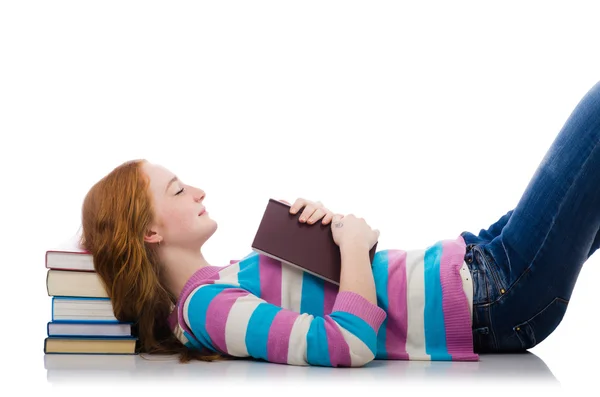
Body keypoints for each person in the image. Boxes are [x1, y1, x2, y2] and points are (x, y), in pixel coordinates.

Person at [80, 80, 600, 367]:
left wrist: (327, 239)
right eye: (177, 190)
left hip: (478, 268)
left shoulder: (224, 283)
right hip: (493, 294)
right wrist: (352, 248)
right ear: (150, 233)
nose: (198, 191)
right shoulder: (204, 307)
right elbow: (347, 344)